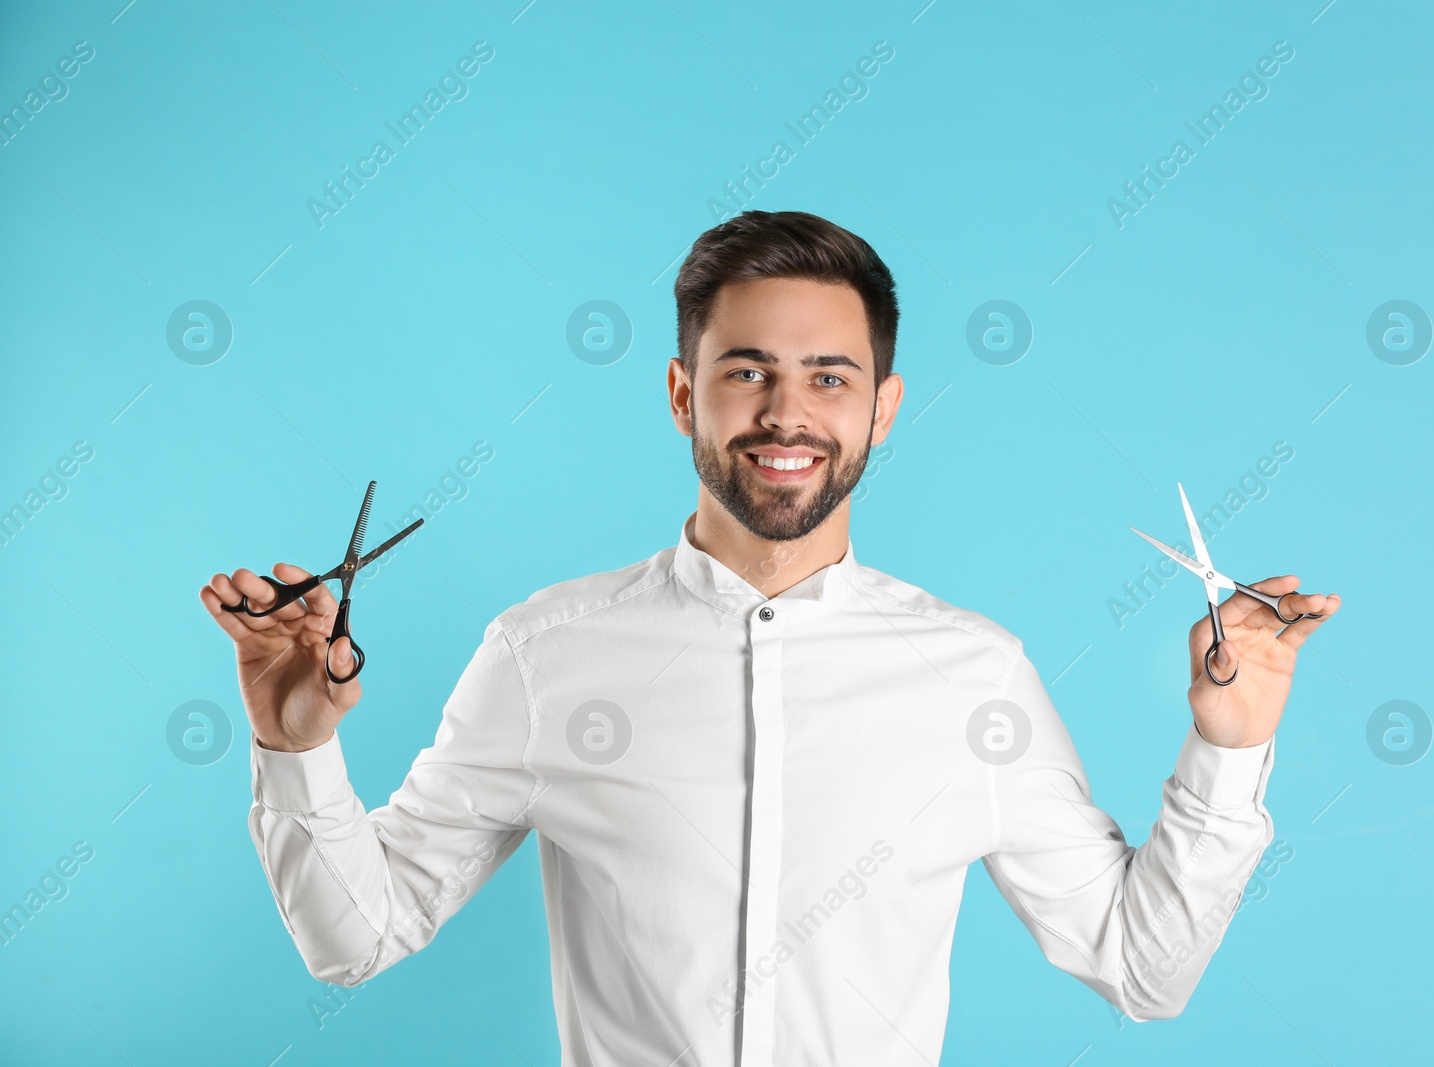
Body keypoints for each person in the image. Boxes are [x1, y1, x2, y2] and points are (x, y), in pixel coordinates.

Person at [199, 210, 1340, 1066]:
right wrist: (292, 747)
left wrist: (1229, 751)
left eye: (827, 378)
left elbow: (1142, 968)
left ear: (882, 409)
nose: (785, 413)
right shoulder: (545, 651)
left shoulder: (973, 674)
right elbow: (358, 937)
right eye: (745, 371)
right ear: (681, 392)